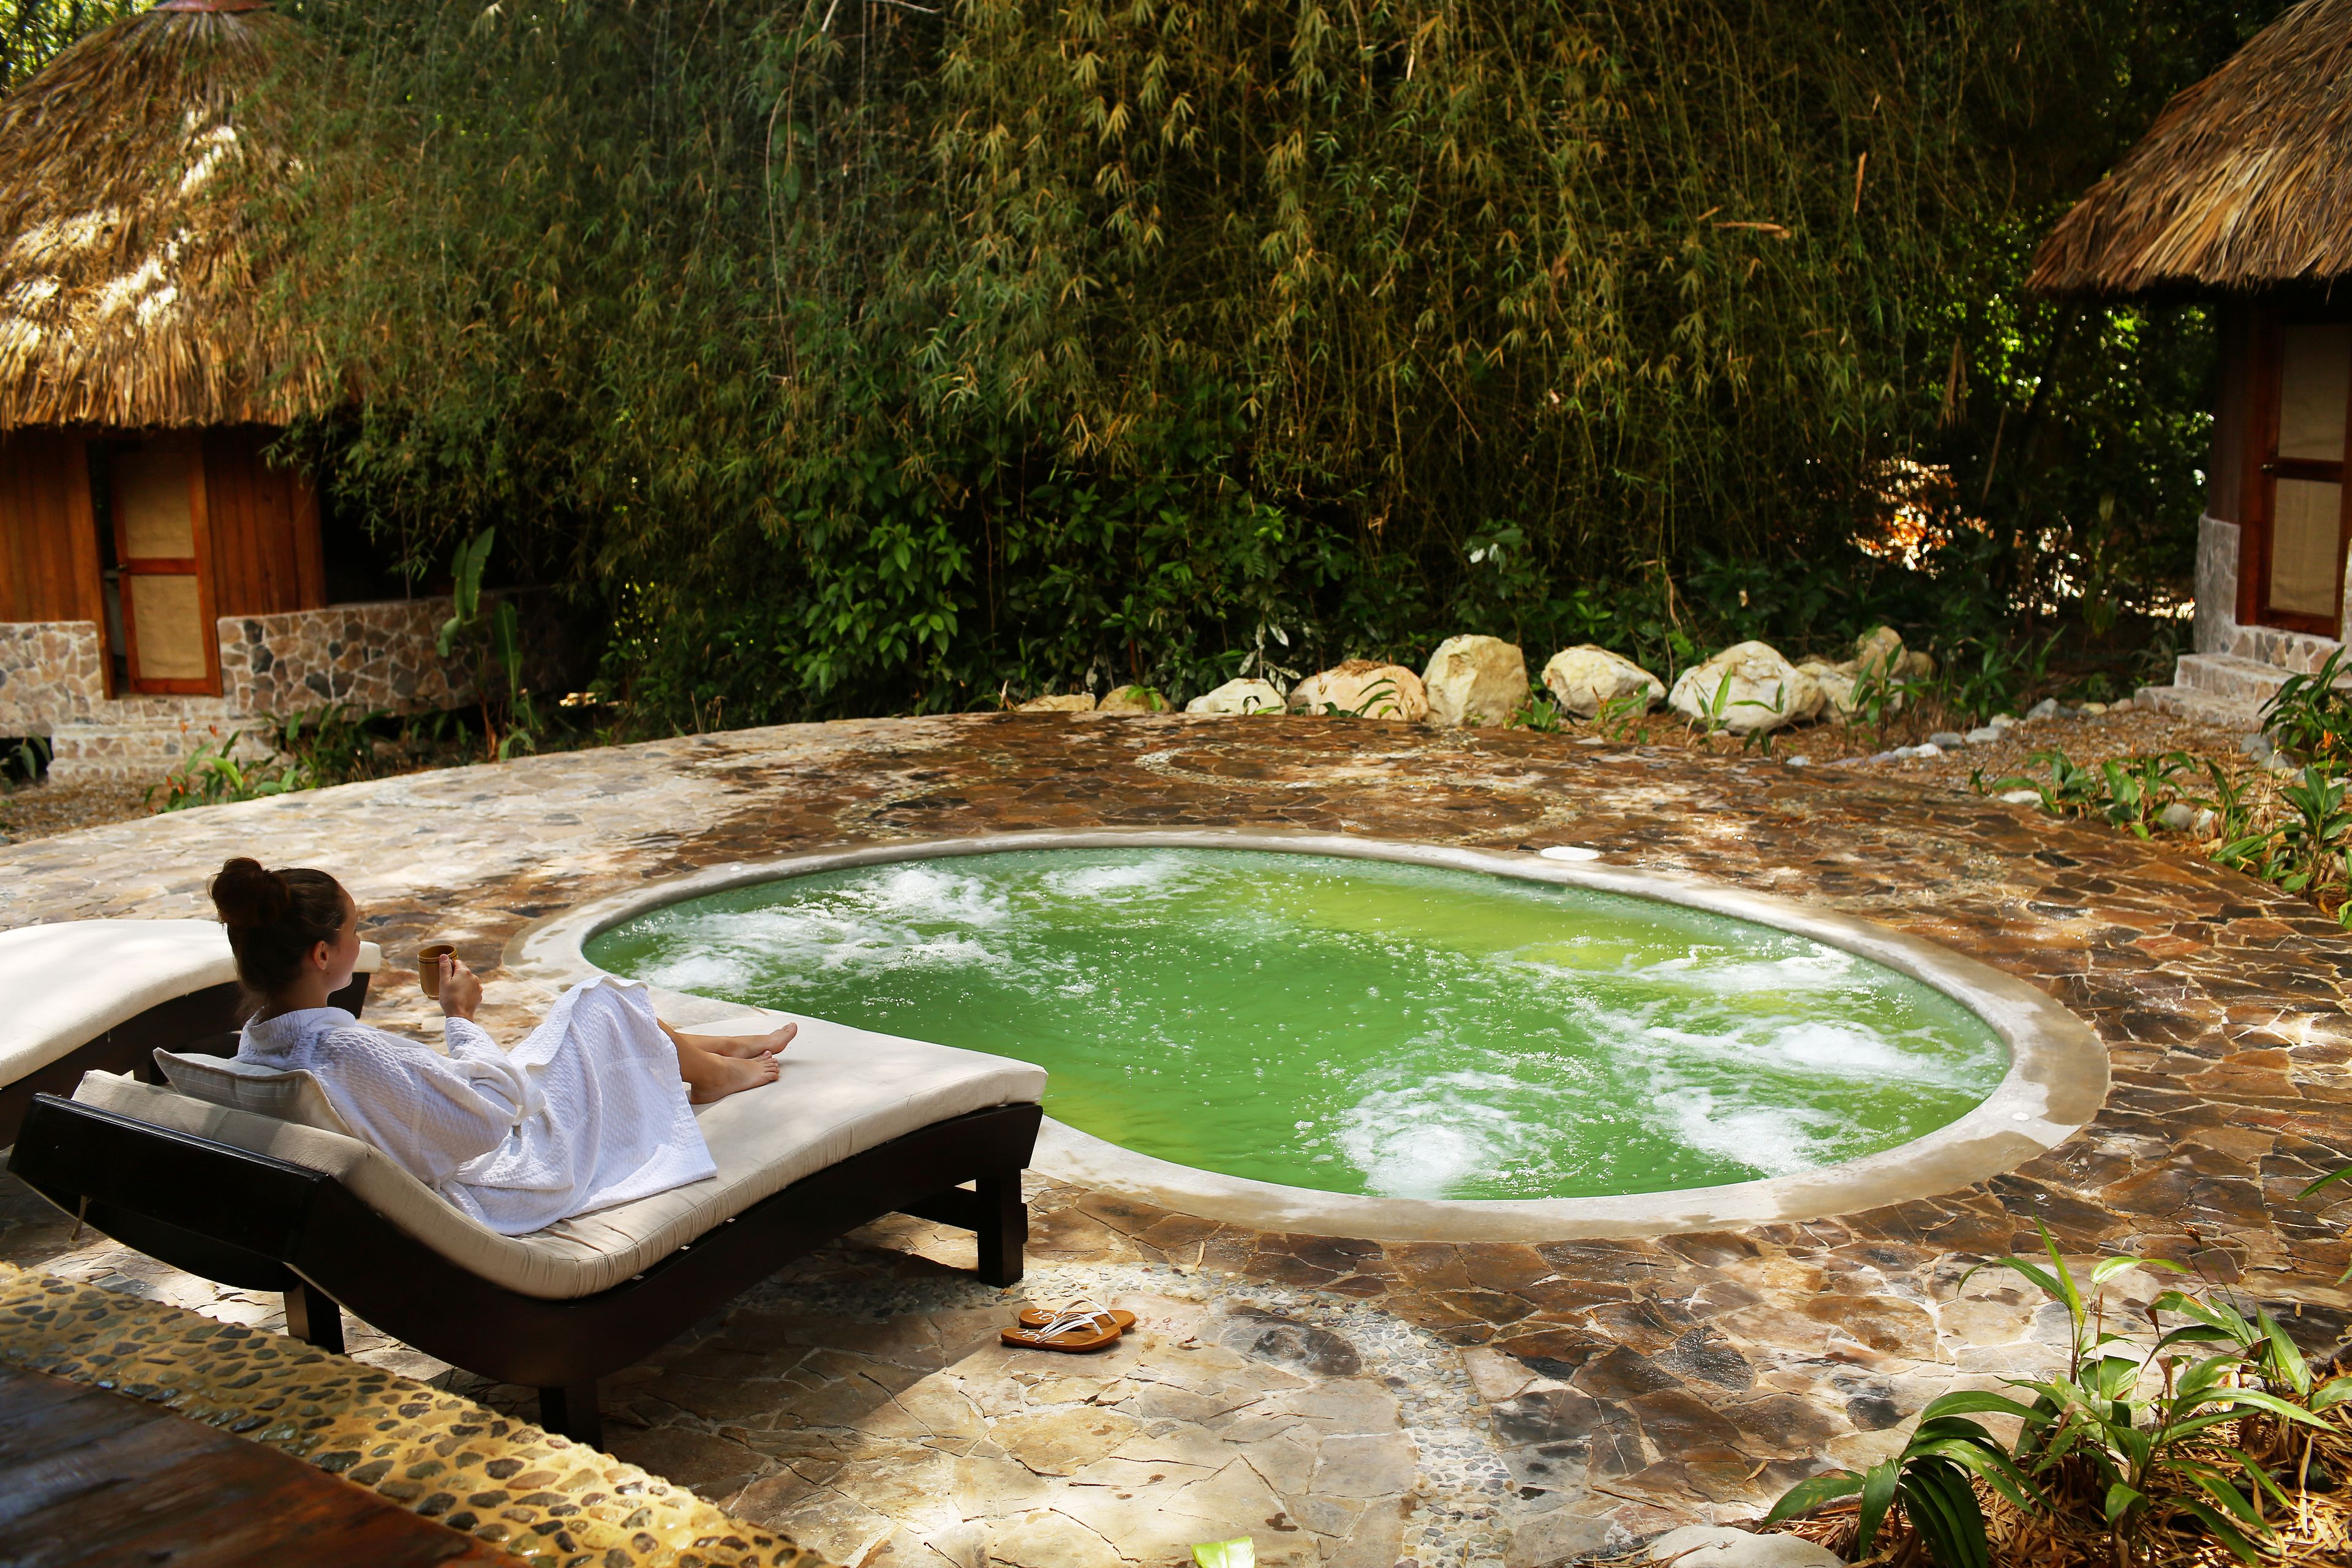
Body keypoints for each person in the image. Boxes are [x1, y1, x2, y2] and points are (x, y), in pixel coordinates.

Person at [208, 856, 793, 1236]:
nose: (359, 942)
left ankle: (714, 1052)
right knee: (597, 1001)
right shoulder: (348, 1052)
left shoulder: (259, 1048)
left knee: (582, 1021)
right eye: (354, 931)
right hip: (503, 1179)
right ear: (321, 955)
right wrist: (460, 1017)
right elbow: (488, 1119)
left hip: (444, 1163)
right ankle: (712, 1074)